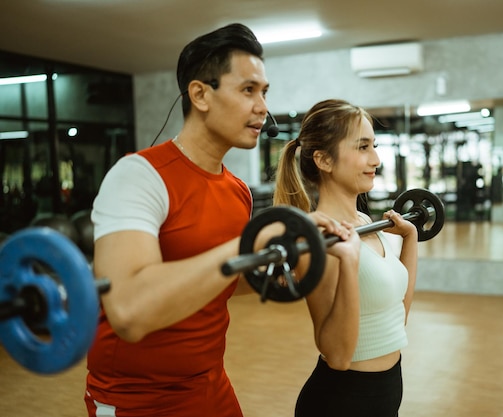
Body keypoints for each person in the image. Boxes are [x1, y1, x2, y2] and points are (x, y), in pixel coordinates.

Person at [83, 24, 353, 417]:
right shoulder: (138, 176)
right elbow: (128, 312)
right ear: (200, 94)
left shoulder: (237, 191)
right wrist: (253, 244)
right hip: (136, 398)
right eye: (248, 90)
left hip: (210, 383)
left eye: (264, 92)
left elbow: (223, 278)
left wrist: (281, 264)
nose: (262, 107)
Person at [273, 99, 418, 417]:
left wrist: (410, 239)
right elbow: (337, 355)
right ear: (324, 160)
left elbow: (397, 319)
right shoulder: (317, 240)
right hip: (343, 401)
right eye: (363, 147)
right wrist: (349, 263)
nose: (376, 159)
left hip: (387, 390)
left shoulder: (367, 223)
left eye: (374, 146)